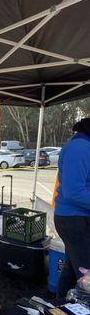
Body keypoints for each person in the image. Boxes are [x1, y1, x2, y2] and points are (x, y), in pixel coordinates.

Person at [54, 117, 90, 298]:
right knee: (87, 275)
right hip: (73, 219)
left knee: (72, 267)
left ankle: (58, 309)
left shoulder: (83, 146)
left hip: (77, 217)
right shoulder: (80, 148)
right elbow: (73, 191)